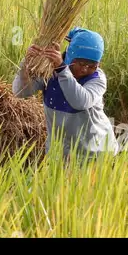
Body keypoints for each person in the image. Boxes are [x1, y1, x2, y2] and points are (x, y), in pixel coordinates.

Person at [13, 27, 118, 159]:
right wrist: (26, 64)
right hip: (61, 154)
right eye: (81, 63)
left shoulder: (97, 79)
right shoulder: (48, 71)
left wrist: (62, 69)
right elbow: (21, 92)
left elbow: (80, 102)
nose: (85, 69)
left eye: (92, 65)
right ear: (70, 56)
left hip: (95, 153)